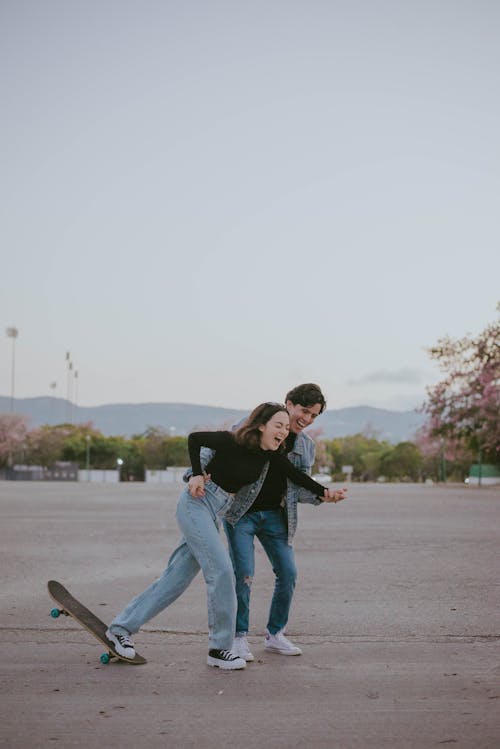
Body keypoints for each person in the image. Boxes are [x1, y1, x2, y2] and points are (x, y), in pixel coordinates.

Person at [106, 401, 341, 671]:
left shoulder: (270, 454)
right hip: (197, 504)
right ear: (261, 425)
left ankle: (121, 628)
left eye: (287, 428)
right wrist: (195, 474)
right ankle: (220, 648)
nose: (284, 432)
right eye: (279, 426)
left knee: (175, 579)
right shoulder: (233, 441)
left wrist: (325, 493)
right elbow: (195, 439)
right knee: (222, 571)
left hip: (216, 512)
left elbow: (295, 477)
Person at [224, 383, 346, 662]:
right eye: (304, 411)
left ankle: (275, 635)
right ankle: (238, 637)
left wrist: (324, 496)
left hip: (277, 517)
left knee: (288, 574)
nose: (308, 419)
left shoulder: (305, 445)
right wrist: (194, 475)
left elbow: (300, 486)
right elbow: (220, 451)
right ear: (289, 403)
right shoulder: (252, 425)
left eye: (314, 415)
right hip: (241, 514)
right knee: (244, 575)